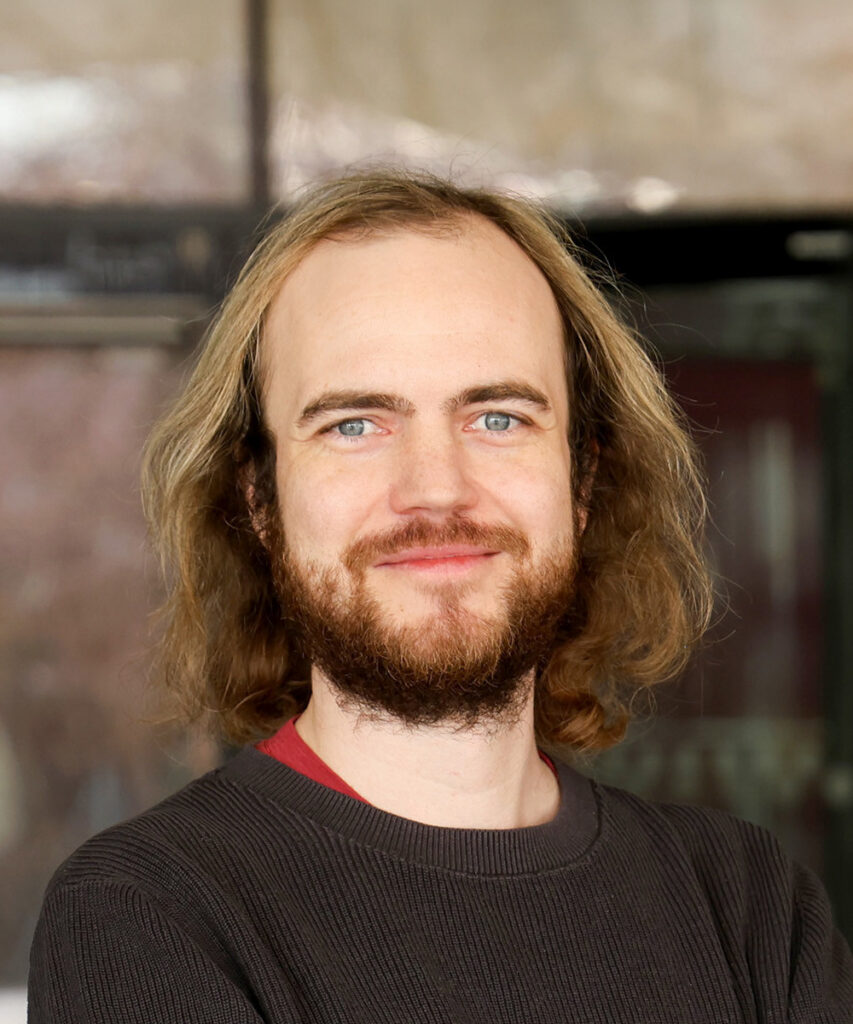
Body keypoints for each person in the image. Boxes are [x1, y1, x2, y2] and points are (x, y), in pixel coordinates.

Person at [29, 170, 852, 1023]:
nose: (435, 490)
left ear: (581, 478)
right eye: (354, 424)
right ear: (259, 499)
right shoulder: (151, 915)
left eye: (497, 418)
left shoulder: (748, 907)